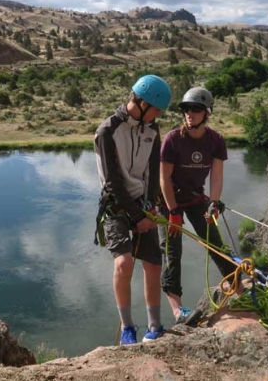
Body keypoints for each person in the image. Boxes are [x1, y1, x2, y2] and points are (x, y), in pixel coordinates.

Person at [94, 74, 172, 344]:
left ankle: (155, 326)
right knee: (124, 262)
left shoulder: (152, 129)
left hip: (142, 202)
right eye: (157, 109)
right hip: (115, 203)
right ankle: (128, 327)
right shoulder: (107, 131)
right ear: (141, 103)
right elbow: (112, 181)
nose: (158, 115)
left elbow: (152, 169)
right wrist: (137, 217)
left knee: (153, 263)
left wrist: (150, 206)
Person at [158, 86, 236, 325]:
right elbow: (164, 179)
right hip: (168, 199)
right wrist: (172, 212)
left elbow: (216, 176)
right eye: (186, 109)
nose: (189, 113)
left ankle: (237, 288)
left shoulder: (215, 140)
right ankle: (177, 310)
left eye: (196, 109)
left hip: (195, 198)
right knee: (172, 250)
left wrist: (213, 202)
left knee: (214, 240)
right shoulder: (173, 139)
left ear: (207, 112)